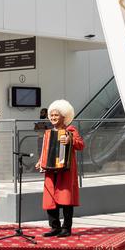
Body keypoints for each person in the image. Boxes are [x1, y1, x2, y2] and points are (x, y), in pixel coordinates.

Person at [36, 99, 84, 237]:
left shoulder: (70, 130)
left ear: (64, 116)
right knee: (50, 198)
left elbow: (81, 145)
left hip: (66, 170)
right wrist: (40, 161)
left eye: (56, 115)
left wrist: (71, 140)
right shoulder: (48, 133)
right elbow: (45, 150)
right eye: (51, 115)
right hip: (50, 170)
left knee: (66, 199)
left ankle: (66, 228)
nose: (53, 118)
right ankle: (54, 227)